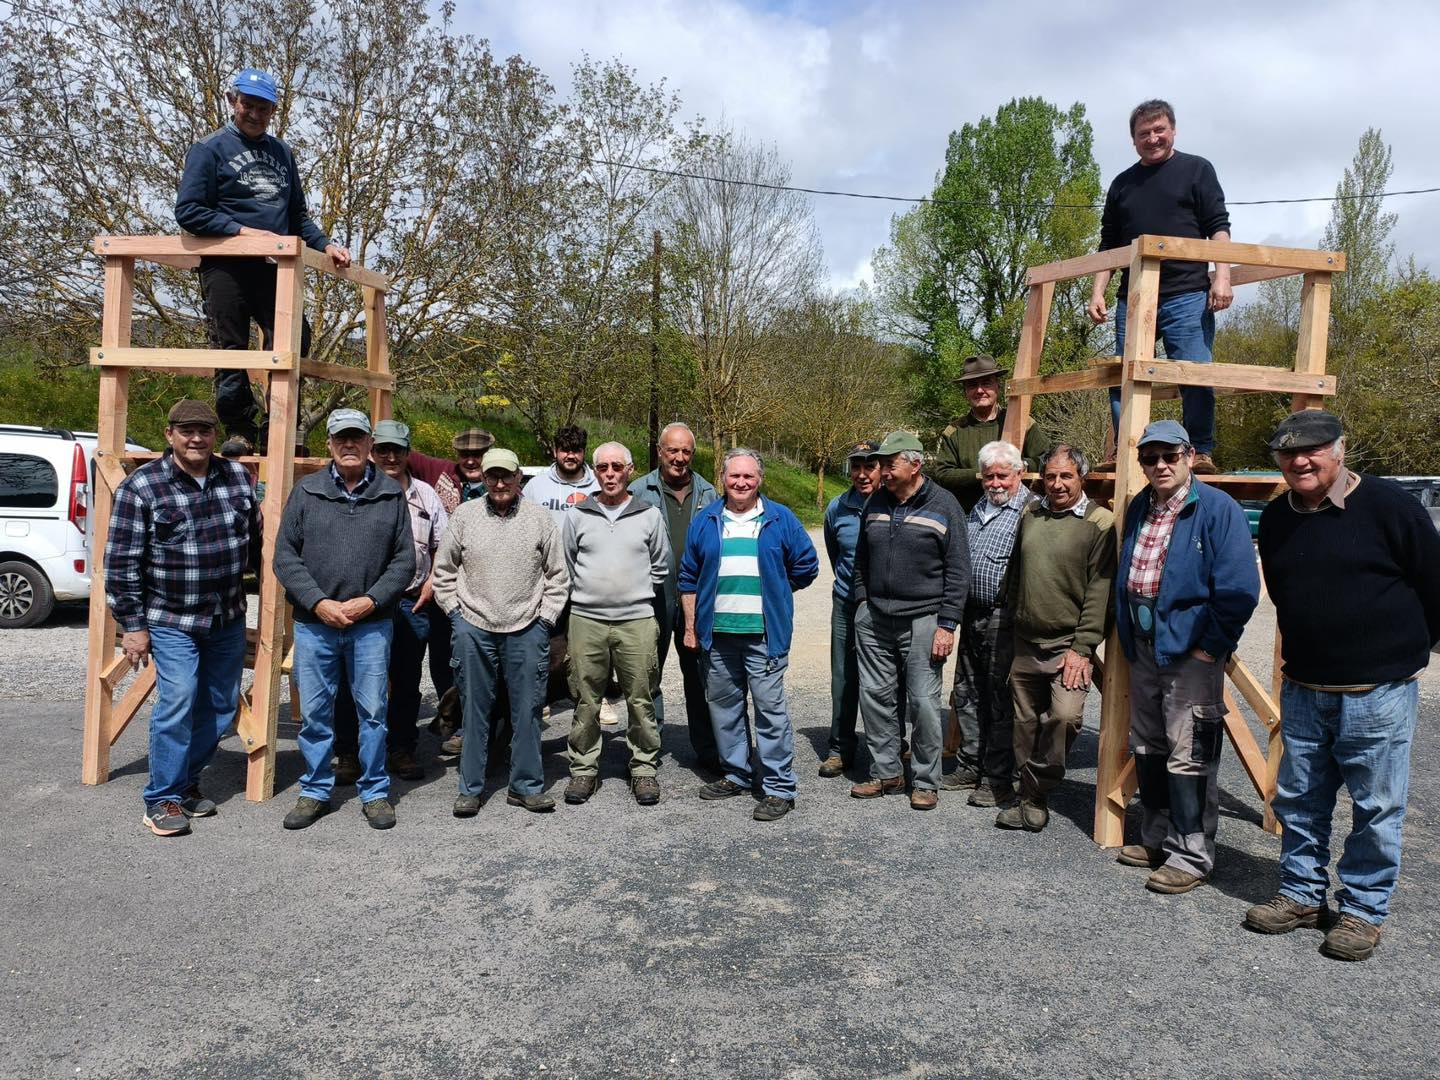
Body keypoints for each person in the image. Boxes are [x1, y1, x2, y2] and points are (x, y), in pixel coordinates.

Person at [1247, 411, 1440, 961]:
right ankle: (1302, 893)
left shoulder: (1389, 506)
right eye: (1288, 454)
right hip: (1306, 686)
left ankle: (1362, 909)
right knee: (1300, 799)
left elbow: (1434, 584)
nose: (1300, 461)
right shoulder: (1279, 518)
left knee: (1376, 806)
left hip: (1377, 691)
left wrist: (1400, 651)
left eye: (1312, 450)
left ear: (1341, 449)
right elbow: (1286, 593)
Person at [1114, 420, 1259, 894]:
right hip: (1144, 646)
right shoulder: (1141, 505)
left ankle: (1192, 854)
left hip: (1190, 653)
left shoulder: (1217, 509)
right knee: (1150, 747)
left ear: (1190, 456)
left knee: (1190, 753)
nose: (1159, 465)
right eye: (1149, 458)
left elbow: (1239, 590)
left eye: (1169, 456)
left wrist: (1209, 646)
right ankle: (1156, 837)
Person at [174, 68, 351, 454]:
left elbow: (297, 216)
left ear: (274, 110)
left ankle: (279, 427)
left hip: (276, 266)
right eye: (248, 105)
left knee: (293, 338)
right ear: (232, 102)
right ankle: (239, 429)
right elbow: (188, 211)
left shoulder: (282, 153)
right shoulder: (210, 149)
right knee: (231, 345)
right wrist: (244, 233)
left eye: (263, 108)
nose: (254, 113)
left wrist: (325, 245)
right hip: (227, 264)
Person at [105, 399, 260, 836]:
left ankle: (187, 781)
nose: (196, 439)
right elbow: (120, 563)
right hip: (170, 619)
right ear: (169, 434)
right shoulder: (143, 486)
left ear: (215, 436)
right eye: (187, 430)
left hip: (225, 615)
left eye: (205, 431)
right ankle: (163, 798)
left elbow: (257, 542)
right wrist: (133, 626)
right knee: (178, 701)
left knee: (221, 703)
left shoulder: (237, 479)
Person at [273, 409, 415, 831]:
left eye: (357, 438)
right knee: (316, 713)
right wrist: (318, 602)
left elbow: (404, 561)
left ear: (370, 443)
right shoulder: (307, 491)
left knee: (373, 711)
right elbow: (285, 556)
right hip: (316, 624)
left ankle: (374, 792)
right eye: (341, 439)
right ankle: (315, 790)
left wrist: (369, 601)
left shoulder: (390, 494)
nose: (349, 445)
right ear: (329, 445)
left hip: (370, 624)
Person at [1088, 99, 1232, 473]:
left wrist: (1223, 276)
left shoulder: (1196, 170)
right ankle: (1127, 450)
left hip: (1187, 293)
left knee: (1195, 373)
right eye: (1143, 134)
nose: (1152, 139)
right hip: (1133, 297)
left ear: (1173, 130)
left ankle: (1199, 451)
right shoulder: (1122, 184)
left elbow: (1217, 225)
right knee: (1125, 377)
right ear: (1133, 140)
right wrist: (1097, 290)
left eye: (1159, 130)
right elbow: (1109, 244)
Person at [679, 449, 818, 821]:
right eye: (734, 476)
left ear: (760, 480)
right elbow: (688, 577)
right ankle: (737, 773)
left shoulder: (780, 518)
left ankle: (778, 787)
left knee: (771, 712)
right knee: (724, 710)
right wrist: (692, 627)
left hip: (763, 636)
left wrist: (776, 588)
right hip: (718, 635)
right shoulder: (706, 520)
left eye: (749, 477)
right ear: (722, 478)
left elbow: (807, 565)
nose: (741, 483)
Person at [432, 448, 570, 816]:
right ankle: (471, 788)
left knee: (528, 710)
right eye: (492, 476)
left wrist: (545, 620)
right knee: (475, 708)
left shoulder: (539, 520)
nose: (498, 483)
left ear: (518, 477)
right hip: (474, 626)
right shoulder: (465, 516)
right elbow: (443, 572)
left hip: (526, 627)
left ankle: (525, 786)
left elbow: (559, 576)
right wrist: (455, 615)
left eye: (506, 476)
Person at [849, 431, 969, 811]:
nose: (881, 470)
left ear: (915, 464)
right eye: (881, 464)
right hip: (876, 617)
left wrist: (947, 624)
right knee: (876, 697)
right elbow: (860, 560)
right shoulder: (875, 502)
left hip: (924, 618)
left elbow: (958, 569)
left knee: (923, 702)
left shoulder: (945, 505)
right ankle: (886, 772)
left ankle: (925, 780)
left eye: (889, 463)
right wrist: (862, 603)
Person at [999, 444, 1115, 832]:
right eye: (1050, 476)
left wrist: (1083, 647)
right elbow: (1016, 571)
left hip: (1068, 646)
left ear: (1082, 477)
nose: (1057, 484)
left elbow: (1100, 590)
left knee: (1064, 718)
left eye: (1066, 476)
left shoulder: (1100, 523)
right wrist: (1013, 617)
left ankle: (1034, 789)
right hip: (1026, 640)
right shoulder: (1031, 513)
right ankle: (1029, 797)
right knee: (1024, 722)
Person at [331, 421, 449, 783]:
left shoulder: (426, 495)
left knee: (406, 678)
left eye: (398, 449)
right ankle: (349, 754)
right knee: (353, 682)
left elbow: (444, 546)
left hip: (411, 603)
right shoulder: (358, 492)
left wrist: (431, 582)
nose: (391, 457)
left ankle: (401, 749)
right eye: (383, 449)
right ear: (371, 450)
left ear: (408, 451)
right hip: (366, 606)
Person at [562, 442, 670, 806]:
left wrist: (631, 593)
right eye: (603, 467)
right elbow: (569, 563)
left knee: (641, 697)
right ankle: (584, 770)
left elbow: (660, 566)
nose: (610, 474)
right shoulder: (578, 515)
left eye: (617, 467)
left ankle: (643, 768)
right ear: (595, 471)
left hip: (636, 620)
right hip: (586, 619)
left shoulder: (649, 515)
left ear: (630, 470)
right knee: (585, 697)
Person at [941, 440, 1034, 807]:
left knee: (999, 699)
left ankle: (996, 776)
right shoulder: (979, 507)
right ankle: (970, 762)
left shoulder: (1031, 510)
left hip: (1004, 615)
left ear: (1019, 473)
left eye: (1003, 476)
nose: (995, 483)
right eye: (989, 476)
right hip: (972, 612)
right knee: (967, 692)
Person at [630, 422, 720, 771]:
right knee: (647, 674)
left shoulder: (709, 494)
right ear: (660, 451)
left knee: (700, 674)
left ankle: (708, 749)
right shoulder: (639, 491)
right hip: (651, 595)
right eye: (673, 450)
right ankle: (647, 749)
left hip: (696, 596)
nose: (679, 458)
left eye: (686, 451)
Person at [818, 440, 880, 778]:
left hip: (884, 605)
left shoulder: (892, 504)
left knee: (886, 680)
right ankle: (840, 747)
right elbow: (834, 553)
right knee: (843, 677)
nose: (862, 474)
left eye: (869, 466)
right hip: (845, 602)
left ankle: (889, 745)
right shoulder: (837, 508)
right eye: (856, 466)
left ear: (882, 467)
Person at [930, 354, 1047, 513]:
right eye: (972, 385)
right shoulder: (954, 431)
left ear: (997, 387)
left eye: (986, 383)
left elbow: (1045, 459)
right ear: (965, 392)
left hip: (1018, 514)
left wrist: (1022, 465)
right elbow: (942, 474)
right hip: (968, 515)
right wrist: (984, 472)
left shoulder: (1022, 422)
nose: (979, 390)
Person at [524, 424, 600, 524]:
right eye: (565, 450)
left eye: (576, 450)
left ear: (584, 453)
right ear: (555, 452)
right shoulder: (535, 486)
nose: (571, 456)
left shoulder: (599, 485)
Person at [410, 428, 496, 515]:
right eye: (464, 455)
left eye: (477, 455)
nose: (470, 462)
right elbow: (409, 457)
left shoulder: (500, 484)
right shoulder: (444, 471)